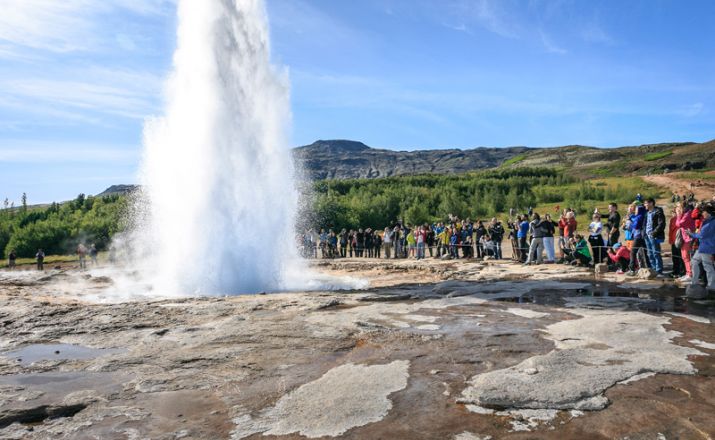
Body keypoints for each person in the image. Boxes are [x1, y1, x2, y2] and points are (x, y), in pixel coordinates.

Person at [685, 203, 715, 298]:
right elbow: (695, 215)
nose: (702, 214)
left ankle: (711, 286)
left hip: (708, 248)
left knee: (708, 267)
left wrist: (691, 234)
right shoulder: (706, 220)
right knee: (694, 262)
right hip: (702, 247)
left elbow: (702, 235)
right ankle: (694, 281)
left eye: (704, 212)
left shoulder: (712, 222)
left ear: (709, 213)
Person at [643, 198, 666, 276]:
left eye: (646, 203)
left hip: (654, 236)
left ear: (651, 203)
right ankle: (653, 270)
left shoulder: (658, 211)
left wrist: (653, 233)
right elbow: (645, 224)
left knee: (656, 253)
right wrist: (644, 233)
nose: (644, 205)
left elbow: (662, 224)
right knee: (649, 254)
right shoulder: (647, 213)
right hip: (647, 236)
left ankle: (659, 270)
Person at [675, 202, 696, 282]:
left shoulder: (688, 214)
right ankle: (688, 273)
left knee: (686, 256)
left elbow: (679, 224)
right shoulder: (685, 213)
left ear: (683, 207)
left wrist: (678, 215)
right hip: (684, 238)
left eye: (679, 207)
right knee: (684, 256)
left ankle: (690, 274)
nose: (677, 209)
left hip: (689, 238)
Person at [627, 204, 647, 276]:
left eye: (636, 209)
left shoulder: (639, 217)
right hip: (642, 236)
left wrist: (630, 223)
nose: (635, 211)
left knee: (632, 252)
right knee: (645, 252)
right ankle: (648, 267)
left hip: (638, 236)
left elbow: (635, 226)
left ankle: (632, 270)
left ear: (639, 210)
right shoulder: (643, 216)